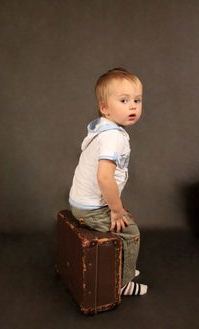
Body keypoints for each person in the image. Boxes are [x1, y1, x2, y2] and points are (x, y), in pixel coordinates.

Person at [69, 68, 148, 296]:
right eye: (124, 100)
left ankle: (124, 266)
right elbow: (104, 178)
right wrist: (116, 210)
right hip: (92, 208)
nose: (133, 106)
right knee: (130, 231)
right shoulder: (114, 137)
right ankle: (123, 282)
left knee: (124, 220)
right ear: (105, 108)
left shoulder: (100, 128)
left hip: (82, 202)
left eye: (137, 100)